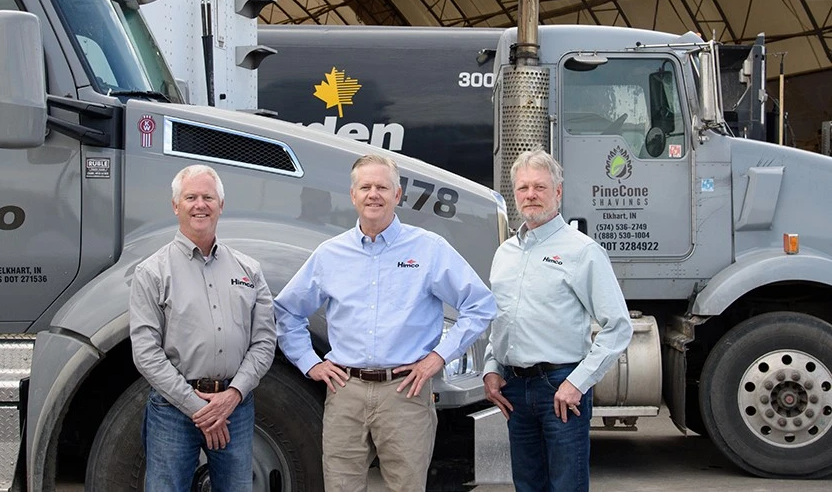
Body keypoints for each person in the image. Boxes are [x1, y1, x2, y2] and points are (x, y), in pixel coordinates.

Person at [274, 153, 497, 492]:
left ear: (398, 194)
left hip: (405, 392)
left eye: (382, 187)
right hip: (345, 392)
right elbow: (287, 311)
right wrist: (310, 363)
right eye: (365, 187)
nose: (373, 194)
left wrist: (437, 358)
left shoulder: (428, 249)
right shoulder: (330, 255)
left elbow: (480, 304)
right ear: (353, 195)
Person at [483, 149, 633, 492]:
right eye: (523, 188)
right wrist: (492, 367)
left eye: (539, 187)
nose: (530, 195)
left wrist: (577, 384)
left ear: (558, 192)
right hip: (514, 390)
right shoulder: (505, 253)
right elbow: (502, 320)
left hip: (561, 389)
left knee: (567, 485)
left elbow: (618, 327)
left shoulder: (582, 251)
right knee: (527, 485)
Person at [129, 164, 276, 492]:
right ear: (175, 205)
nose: (200, 205)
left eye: (208, 197)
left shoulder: (249, 270)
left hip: (235, 408)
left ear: (221, 205)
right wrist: (198, 408)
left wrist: (233, 395)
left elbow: (265, 341)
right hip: (172, 409)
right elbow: (146, 352)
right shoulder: (152, 272)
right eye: (191, 197)